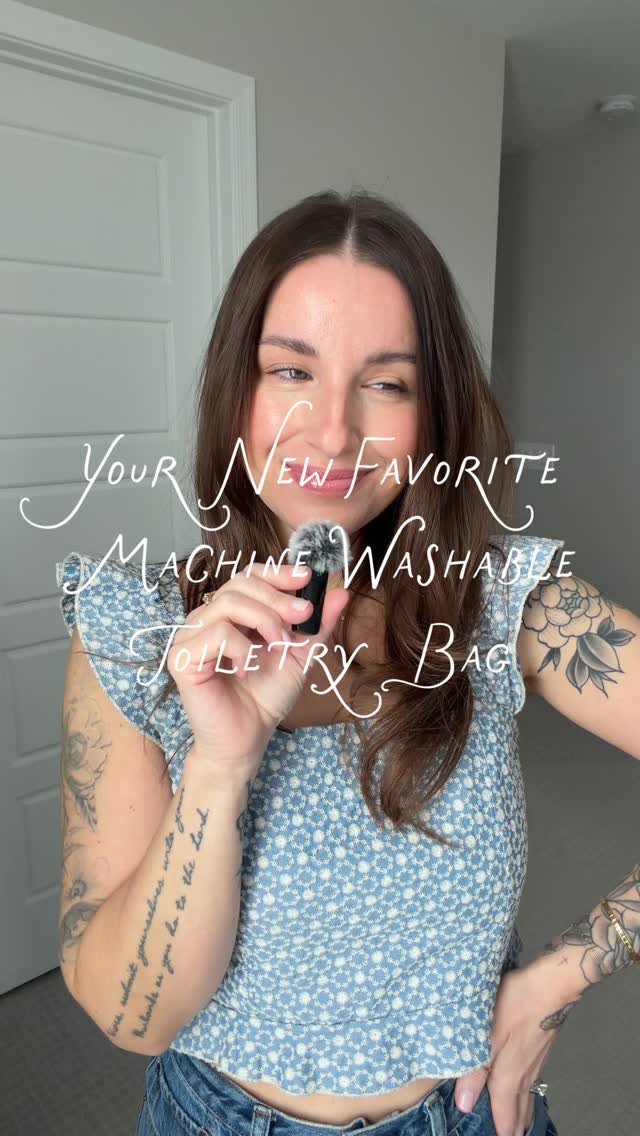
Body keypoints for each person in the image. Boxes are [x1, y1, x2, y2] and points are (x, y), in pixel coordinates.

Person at [56, 189, 639, 1136]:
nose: (332, 431)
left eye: (388, 384)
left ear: (432, 415)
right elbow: (133, 1017)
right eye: (292, 370)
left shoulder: (498, 603)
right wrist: (221, 766)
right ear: (236, 391)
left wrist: (562, 977)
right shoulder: (136, 630)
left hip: (468, 1115)